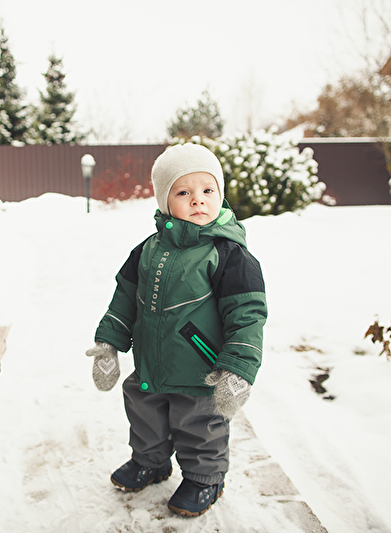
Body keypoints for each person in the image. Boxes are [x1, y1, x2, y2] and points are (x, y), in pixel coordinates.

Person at [86, 143, 267, 516]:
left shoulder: (229, 254)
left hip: (200, 370)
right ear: (164, 201)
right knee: (144, 414)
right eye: (183, 192)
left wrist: (239, 368)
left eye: (208, 190)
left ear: (220, 194)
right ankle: (150, 461)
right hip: (150, 365)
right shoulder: (146, 251)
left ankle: (205, 478)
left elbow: (247, 314)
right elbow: (124, 298)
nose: (198, 200)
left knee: (199, 423)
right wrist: (108, 344)